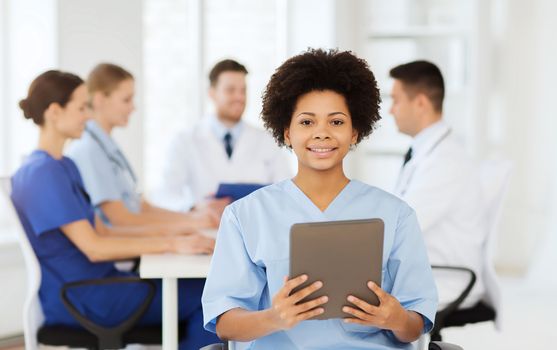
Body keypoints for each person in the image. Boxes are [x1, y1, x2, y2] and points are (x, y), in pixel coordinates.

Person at [202, 49, 437, 349]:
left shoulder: (396, 215)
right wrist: (275, 317)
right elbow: (224, 324)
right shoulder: (245, 215)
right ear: (286, 132)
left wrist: (394, 318)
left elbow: (414, 325)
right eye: (307, 122)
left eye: (337, 122)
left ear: (355, 132)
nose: (322, 133)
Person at [11, 70, 220, 349]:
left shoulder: (63, 166)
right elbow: (94, 247)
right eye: (81, 107)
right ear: (54, 111)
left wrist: (180, 239)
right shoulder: (42, 173)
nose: (88, 115)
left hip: (103, 286)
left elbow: (103, 230)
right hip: (86, 298)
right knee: (213, 295)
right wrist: (173, 242)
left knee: (205, 291)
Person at [66, 63, 225, 229]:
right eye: (126, 100)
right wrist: (191, 222)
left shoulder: (105, 146)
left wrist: (192, 217)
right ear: (100, 100)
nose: (133, 107)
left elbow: (140, 207)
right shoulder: (89, 149)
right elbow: (119, 219)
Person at [389, 60, 487, 308]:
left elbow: (403, 228)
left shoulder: (445, 161)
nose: (391, 110)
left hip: (445, 279)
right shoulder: (425, 152)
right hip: (425, 270)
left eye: (396, 100)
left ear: (420, 103)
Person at [156, 59, 292, 211]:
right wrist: (194, 207)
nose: (239, 97)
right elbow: (165, 195)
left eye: (243, 90)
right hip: (205, 229)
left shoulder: (267, 140)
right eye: (230, 90)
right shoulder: (185, 140)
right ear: (212, 93)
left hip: (255, 228)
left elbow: (285, 191)